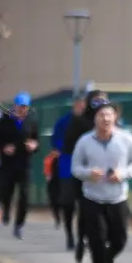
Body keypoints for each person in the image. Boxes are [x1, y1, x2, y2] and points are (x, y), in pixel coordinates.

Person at [70, 103, 132, 263]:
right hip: (92, 198)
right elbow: (75, 168)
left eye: (109, 115)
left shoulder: (126, 139)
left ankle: (108, 259)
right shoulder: (85, 141)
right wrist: (88, 173)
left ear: (115, 117)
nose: (106, 119)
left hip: (117, 198)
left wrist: (123, 173)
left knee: (119, 240)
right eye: (102, 115)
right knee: (97, 240)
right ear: (95, 118)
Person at [63, 90, 112, 263]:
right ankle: (80, 239)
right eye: (96, 102)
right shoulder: (79, 122)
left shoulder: (111, 124)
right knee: (84, 209)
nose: (100, 106)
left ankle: (102, 240)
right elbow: (68, 146)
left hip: (105, 176)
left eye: (103, 102)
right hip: (84, 175)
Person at [0, 91, 40, 239]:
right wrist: (3, 147)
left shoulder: (32, 121)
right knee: (6, 193)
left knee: (24, 196)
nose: (23, 110)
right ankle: (6, 210)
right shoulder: (3, 121)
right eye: (21, 106)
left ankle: (19, 224)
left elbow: (36, 140)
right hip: (7, 165)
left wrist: (34, 145)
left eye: (26, 107)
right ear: (15, 106)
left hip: (24, 164)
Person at [50, 96, 87, 251]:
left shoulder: (89, 122)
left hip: (85, 169)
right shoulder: (64, 121)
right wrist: (60, 148)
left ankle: (82, 237)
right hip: (67, 167)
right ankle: (70, 235)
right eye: (77, 105)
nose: (80, 107)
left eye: (82, 105)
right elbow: (55, 140)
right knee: (68, 204)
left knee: (85, 205)